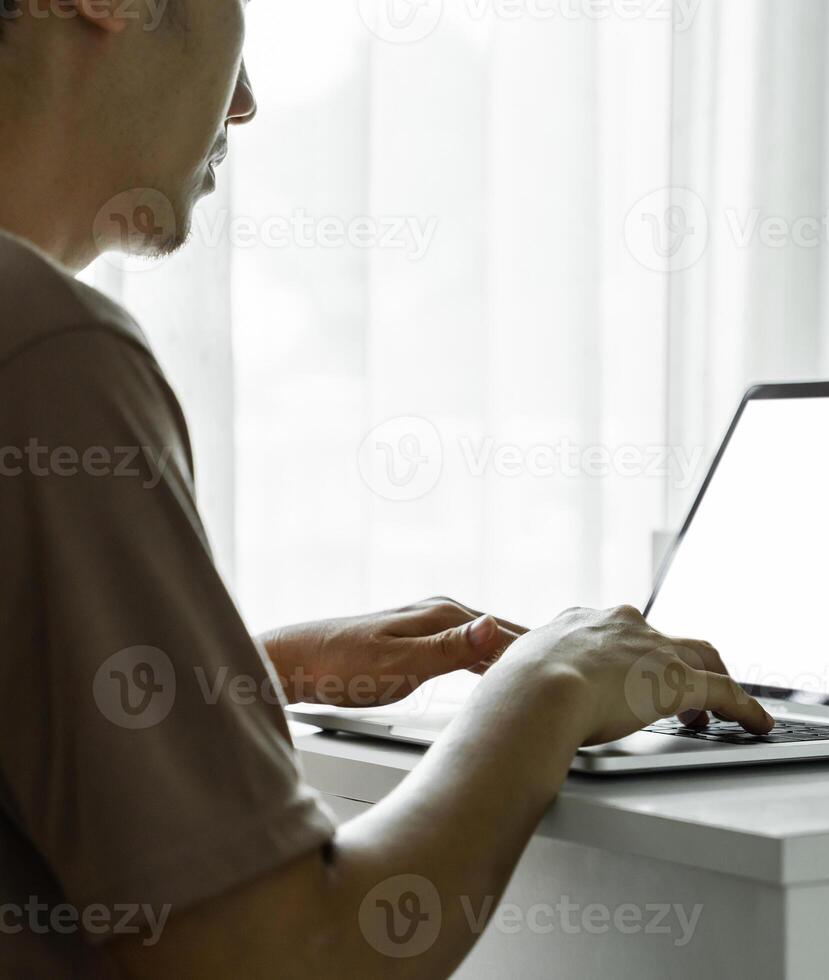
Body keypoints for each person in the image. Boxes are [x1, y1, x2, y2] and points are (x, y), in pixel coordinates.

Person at [0, 1, 774, 975]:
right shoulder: (44, 353)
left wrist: (235, 676)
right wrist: (548, 686)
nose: (241, 103)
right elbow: (284, 957)